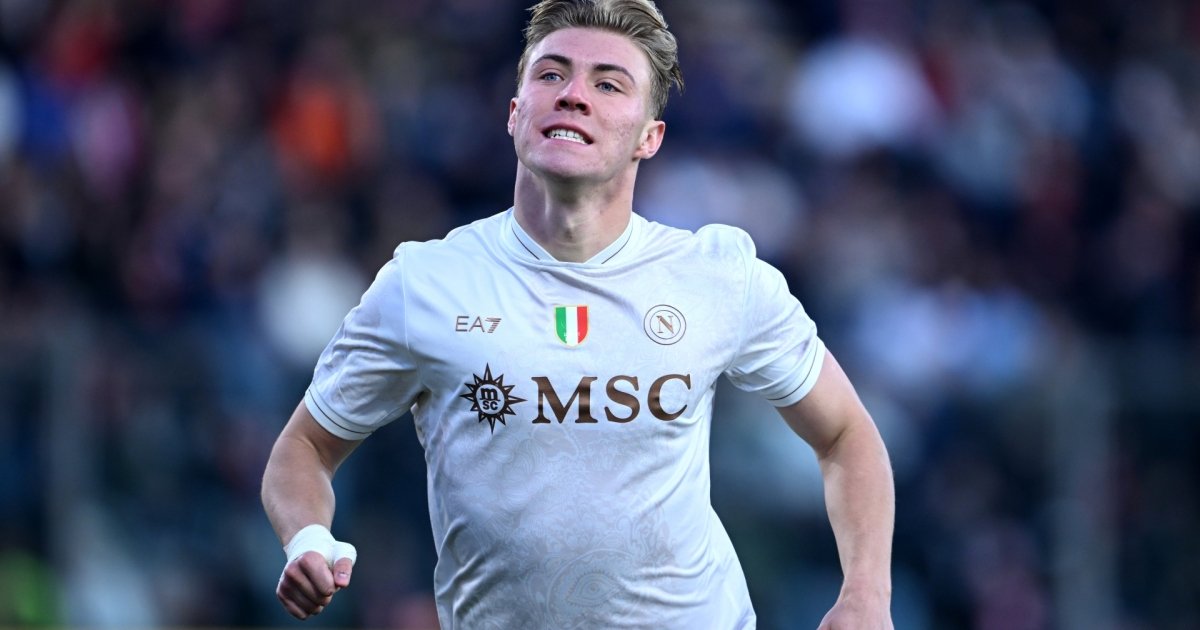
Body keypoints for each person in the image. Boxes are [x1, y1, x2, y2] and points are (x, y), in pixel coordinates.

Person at [261, 0, 895, 627]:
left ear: (649, 137)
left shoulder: (719, 275)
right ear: (515, 114)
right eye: (551, 74)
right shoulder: (424, 284)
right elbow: (304, 448)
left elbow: (846, 433)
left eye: (608, 84)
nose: (572, 95)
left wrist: (866, 595)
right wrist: (307, 538)